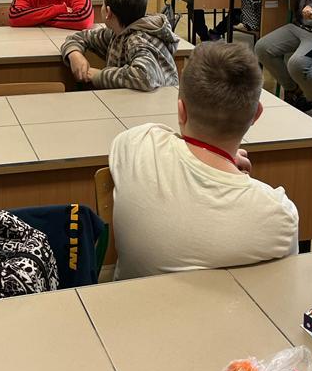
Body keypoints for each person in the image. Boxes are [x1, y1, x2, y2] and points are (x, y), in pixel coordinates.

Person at [108, 41, 299, 279]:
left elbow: (169, 140)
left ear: (181, 110)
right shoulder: (279, 215)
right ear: (256, 114)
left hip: (130, 302)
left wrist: (215, 155)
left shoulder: (135, 143)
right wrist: (223, 159)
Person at [61, 0, 179, 91]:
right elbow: (80, 37)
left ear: (108, 12)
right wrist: (74, 54)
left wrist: (99, 75)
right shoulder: (117, 32)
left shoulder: (138, 40)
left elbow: (146, 77)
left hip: (160, 101)